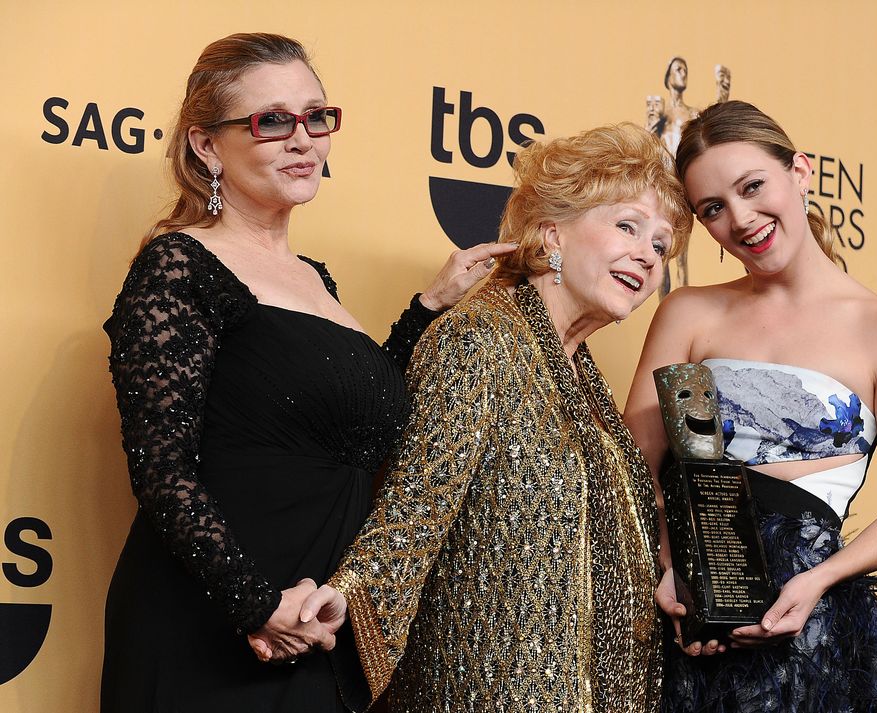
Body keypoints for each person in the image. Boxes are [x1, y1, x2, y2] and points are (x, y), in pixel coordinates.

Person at [100, 33, 513, 713]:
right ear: (207, 146)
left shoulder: (314, 278)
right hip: (217, 627)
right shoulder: (180, 265)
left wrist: (427, 308)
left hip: (317, 619)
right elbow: (160, 468)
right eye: (271, 121)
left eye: (315, 117)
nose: (303, 139)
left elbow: (350, 425)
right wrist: (256, 605)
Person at [295, 123, 693, 711]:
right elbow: (416, 506)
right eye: (627, 226)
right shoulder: (479, 340)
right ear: (551, 233)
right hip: (488, 685)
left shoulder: (584, 379)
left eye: (661, 246)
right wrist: (350, 596)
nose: (646, 255)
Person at [623, 100, 877, 712]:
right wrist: (668, 563)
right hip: (687, 615)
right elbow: (634, 468)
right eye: (713, 209)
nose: (741, 219)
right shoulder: (688, 313)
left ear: (798, 171)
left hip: (808, 623)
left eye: (753, 186)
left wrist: (819, 580)